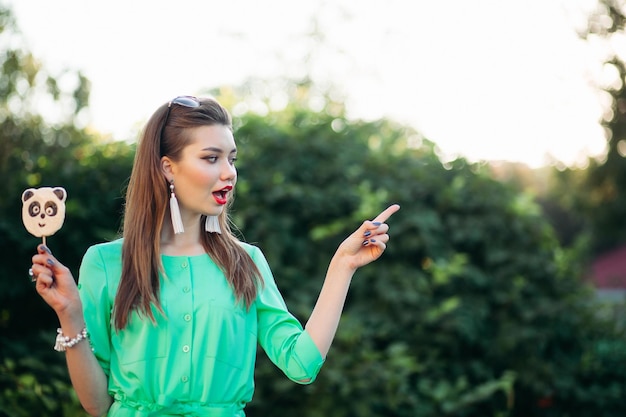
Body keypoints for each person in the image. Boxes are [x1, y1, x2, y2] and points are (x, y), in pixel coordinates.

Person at [30, 95, 400, 417]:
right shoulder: (106, 264)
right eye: (211, 158)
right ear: (166, 167)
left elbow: (301, 364)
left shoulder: (247, 262)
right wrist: (70, 315)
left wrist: (342, 265)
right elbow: (95, 404)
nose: (229, 173)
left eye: (232, 159)